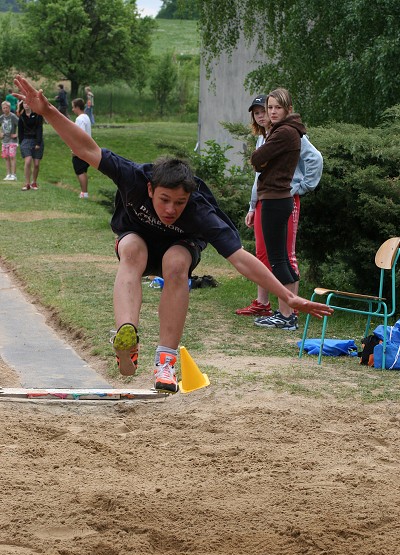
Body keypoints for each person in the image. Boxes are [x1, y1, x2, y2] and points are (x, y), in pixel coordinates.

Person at [13, 75, 333, 393]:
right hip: (137, 235)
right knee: (132, 252)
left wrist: (287, 295)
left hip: (179, 244)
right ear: (150, 188)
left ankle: (165, 361)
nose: (170, 209)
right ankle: (127, 333)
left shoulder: (199, 211)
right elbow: (85, 148)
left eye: (179, 203)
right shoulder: (134, 177)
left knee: (177, 264)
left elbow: (241, 259)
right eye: (164, 200)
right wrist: (47, 111)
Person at [236, 93, 323, 324]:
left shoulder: (285, 132)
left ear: (288, 109)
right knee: (275, 257)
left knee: (281, 258)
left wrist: (302, 187)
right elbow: (260, 165)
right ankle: (284, 312)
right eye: (267, 108)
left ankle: (287, 314)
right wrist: (253, 205)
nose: (270, 113)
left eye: (275, 108)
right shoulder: (277, 132)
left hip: (279, 197)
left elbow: (257, 159)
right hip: (270, 198)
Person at [18, 100, 44, 191]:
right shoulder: (21, 117)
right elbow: (20, 131)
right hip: (26, 141)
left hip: (37, 140)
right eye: (24, 103)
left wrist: (38, 142)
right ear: (22, 105)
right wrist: (21, 142)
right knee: (28, 161)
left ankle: (34, 182)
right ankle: (27, 183)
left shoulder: (38, 115)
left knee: (36, 164)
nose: (26, 105)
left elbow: (39, 129)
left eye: (28, 103)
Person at [71, 97, 92, 198]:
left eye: (73, 107)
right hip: (87, 148)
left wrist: (76, 150)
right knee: (82, 170)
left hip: (81, 150)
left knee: (80, 170)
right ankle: (84, 192)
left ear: (77, 107)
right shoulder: (86, 117)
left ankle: (84, 193)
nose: (72, 109)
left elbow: (81, 134)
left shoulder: (80, 119)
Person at [0, 101, 19, 181]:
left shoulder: (13, 116)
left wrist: (17, 134)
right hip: (4, 140)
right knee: (6, 157)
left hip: (12, 140)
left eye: (6, 107)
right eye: (3, 108)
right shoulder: (1, 117)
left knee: (12, 156)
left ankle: (14, 175)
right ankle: (8, 174)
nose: (5, 109)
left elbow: (21, 125)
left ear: (9, 108)